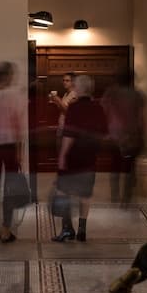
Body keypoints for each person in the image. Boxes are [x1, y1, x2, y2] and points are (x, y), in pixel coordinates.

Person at [51, 75, 106, 242]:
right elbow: (103, 132)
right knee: (85, 193)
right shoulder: (99, 108)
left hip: (73, 155)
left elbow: (69, 135)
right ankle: (82, 230)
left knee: (63, 191)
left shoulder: (74, 108)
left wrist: (62, 156)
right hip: (90, 155)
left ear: (80, 89)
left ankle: (67, 229)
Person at [0, 61, 25, 243]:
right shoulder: (13, 95)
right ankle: (6, 231)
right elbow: (17, 124)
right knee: (9, 189)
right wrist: (20, 150)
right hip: (9, 146)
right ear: (7, 76)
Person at [101, 74, 146, 206]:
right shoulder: (137, 95)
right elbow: (141, 117)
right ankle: (126, 198)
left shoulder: (111, 93)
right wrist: (142, 133)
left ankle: (114, 196)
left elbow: (104, 110)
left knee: (115, 166)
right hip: (132, 135)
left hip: (115, 135)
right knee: (129, 168)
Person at [48, 71, 77, 150]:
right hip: (62, 126)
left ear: (73, 82)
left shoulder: (75, 94)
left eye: (67, 80)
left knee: (64, 152)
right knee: (59, 149)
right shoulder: (66, 94)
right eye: (63, 80)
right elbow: (62, 109)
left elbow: (69, 111)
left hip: (68, 128)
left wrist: (58, 100)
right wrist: (55, 102)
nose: (64, 82)